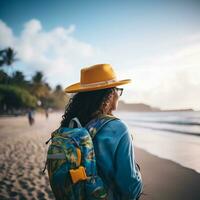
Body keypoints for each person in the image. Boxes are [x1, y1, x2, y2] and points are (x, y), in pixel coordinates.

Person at [60, 63, 143, 200]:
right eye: (118, 90)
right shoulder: (118, 129)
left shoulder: (73, 124)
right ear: (110, 94)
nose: (119, 94)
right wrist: (138, 173)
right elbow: (130, 188)